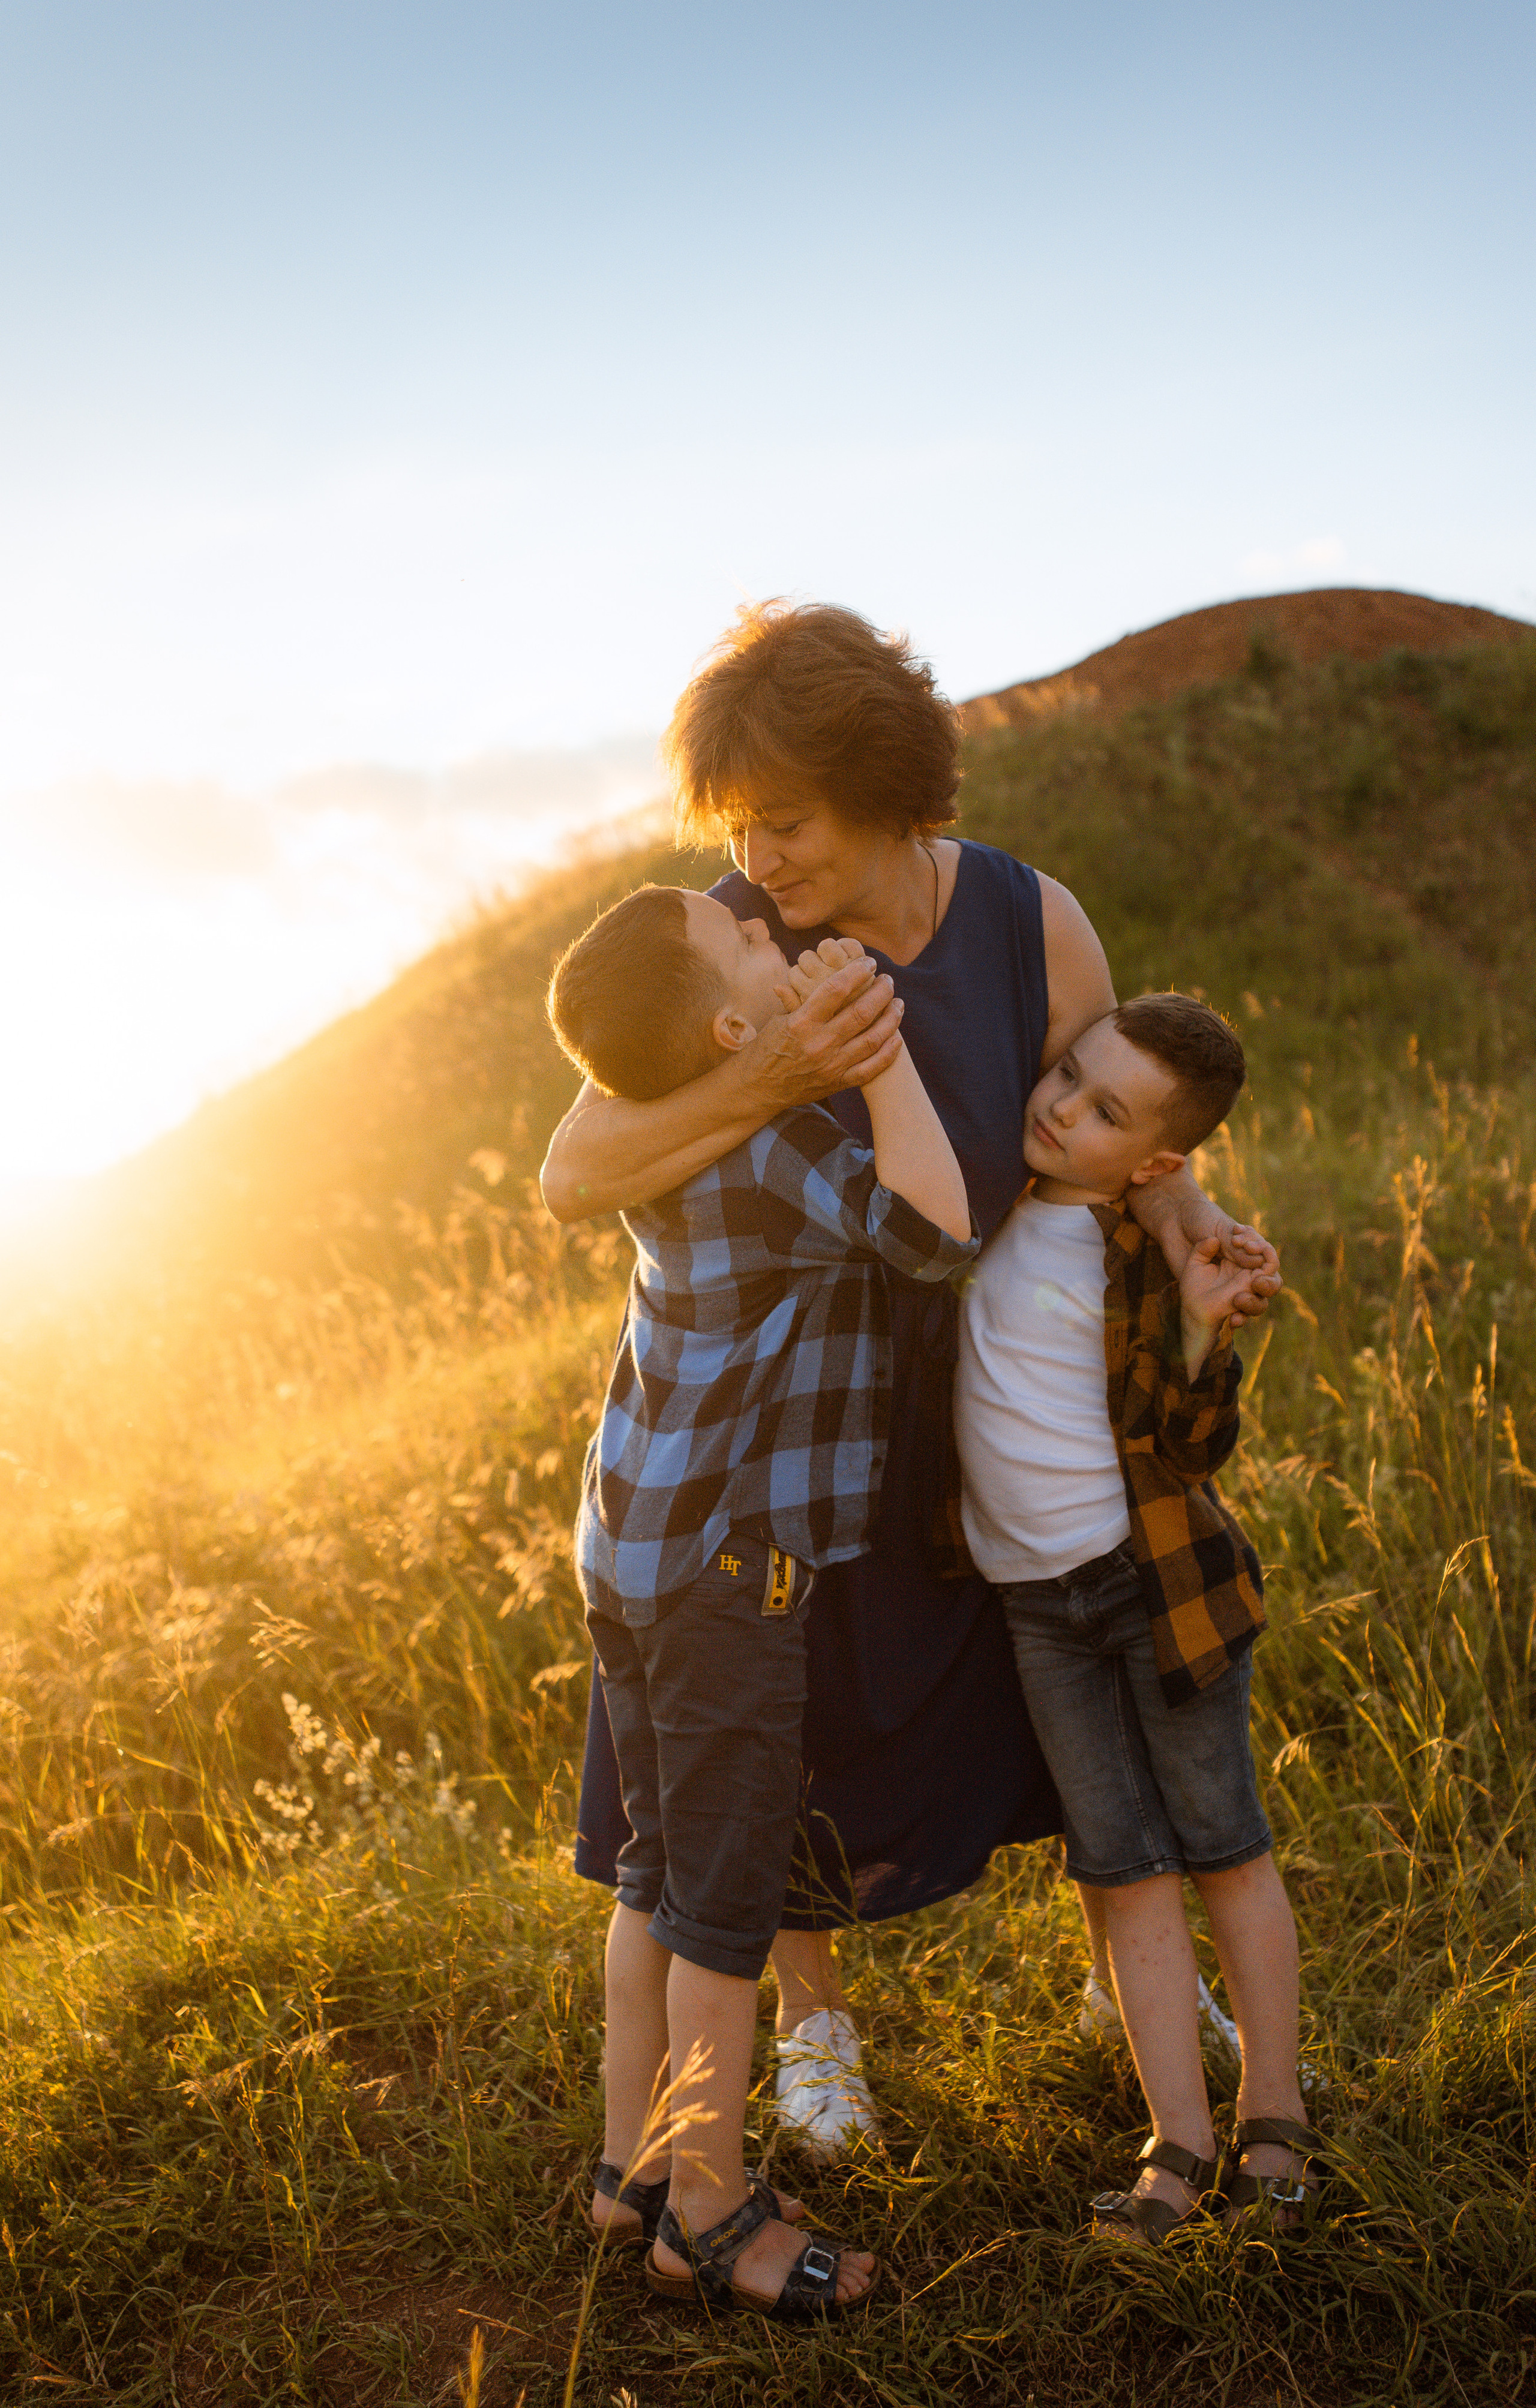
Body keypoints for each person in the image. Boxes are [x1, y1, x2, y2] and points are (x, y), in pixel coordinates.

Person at [541, 601, 1281, 2155]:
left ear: (883, 782)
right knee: (786, 1706)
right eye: (738, 820)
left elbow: (1111, 1111)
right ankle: (812, 2025)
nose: (762, 850)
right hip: (803, 1408)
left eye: (786, 817)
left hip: (1010, 1386)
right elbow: (576, 1163)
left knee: (1052, 1701)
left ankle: (1124, 1988)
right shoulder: (734, 947)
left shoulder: (1030, 918)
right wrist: (782, 1070)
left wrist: (1188, 1204)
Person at [546, 881, 977, 2316]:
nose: (772, 933)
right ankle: (712, 2213)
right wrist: (880, 1052)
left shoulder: (683, 1127)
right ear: (736, 1023)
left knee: (654, 1872)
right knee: (723, 1904)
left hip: (633, 1544)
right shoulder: (781, 1142)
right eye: (746, 943)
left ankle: (628, 2171)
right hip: (729, 1568)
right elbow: (932, 1235)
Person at [950, 993, 1319, 2239]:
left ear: (1156, 1162)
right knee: (1119, 1870)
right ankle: (1176, 2140)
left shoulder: (1140, 1252)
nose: (1060, 1107)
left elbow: (1192, 1444)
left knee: (1220, 1843)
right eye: (1066, 1075)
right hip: (1037, 1610)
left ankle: (1273, 2113)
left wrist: (1209, 1335)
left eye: (1104, 1110)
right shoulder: (987, 1207)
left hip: (1155, 1588)